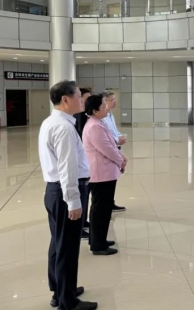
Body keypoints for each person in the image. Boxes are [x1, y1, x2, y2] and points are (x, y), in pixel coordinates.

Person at [38, 80, 98, 310]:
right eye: (78, 96)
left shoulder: (51, 122)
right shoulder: (63, 127)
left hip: (55, 190)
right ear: (65, 99)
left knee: (58, 243)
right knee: (68, 247)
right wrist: (73, 200)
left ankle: (60, 290)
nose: (82, 100)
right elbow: (67, 167)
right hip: (66, 192)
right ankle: (67, 300)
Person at [83, 94, 127, 256]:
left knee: (103, 209)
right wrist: (121, 160)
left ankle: (98, 239)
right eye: (103, 106)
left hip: (105, 173)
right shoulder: (94, 127)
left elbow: (111, 144)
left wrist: (121, 156)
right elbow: (107, 149)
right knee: (100, 210)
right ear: (95, 111)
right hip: (101, 174)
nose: (106, 108)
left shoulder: (98, 123)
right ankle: (98, 245)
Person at [101, 91, 127, 213]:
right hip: (108, 150)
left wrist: (119, 136)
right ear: (104, 101)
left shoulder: (110, 115)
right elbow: (105, 137)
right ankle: (106, 206)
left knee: (112, 179)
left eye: (115, 99)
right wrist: (117, 140)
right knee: (106, 181)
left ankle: (110, 203)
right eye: (112, 100)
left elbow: (113, 131)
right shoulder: (102, 117)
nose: (114, 102)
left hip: (115, 147)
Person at [74, 88, 91, 241]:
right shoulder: (77, 118)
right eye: (83, 98)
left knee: (85, 195)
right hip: (79, 165)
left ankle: (84, 221)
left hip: (84, 164)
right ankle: (79, 228)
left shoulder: (85, 115)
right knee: (80, 195)